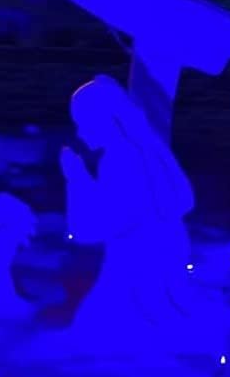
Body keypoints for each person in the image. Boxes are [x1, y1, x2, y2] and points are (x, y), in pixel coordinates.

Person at [60, 75, 197, 345]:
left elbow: (103, 227)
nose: (79, 133)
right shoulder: (142, 150)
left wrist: (77, 178)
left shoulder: (121, 160)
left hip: (140, 263)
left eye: (83, 123)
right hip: (155, 254)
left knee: (103, 328)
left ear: (105, 120)